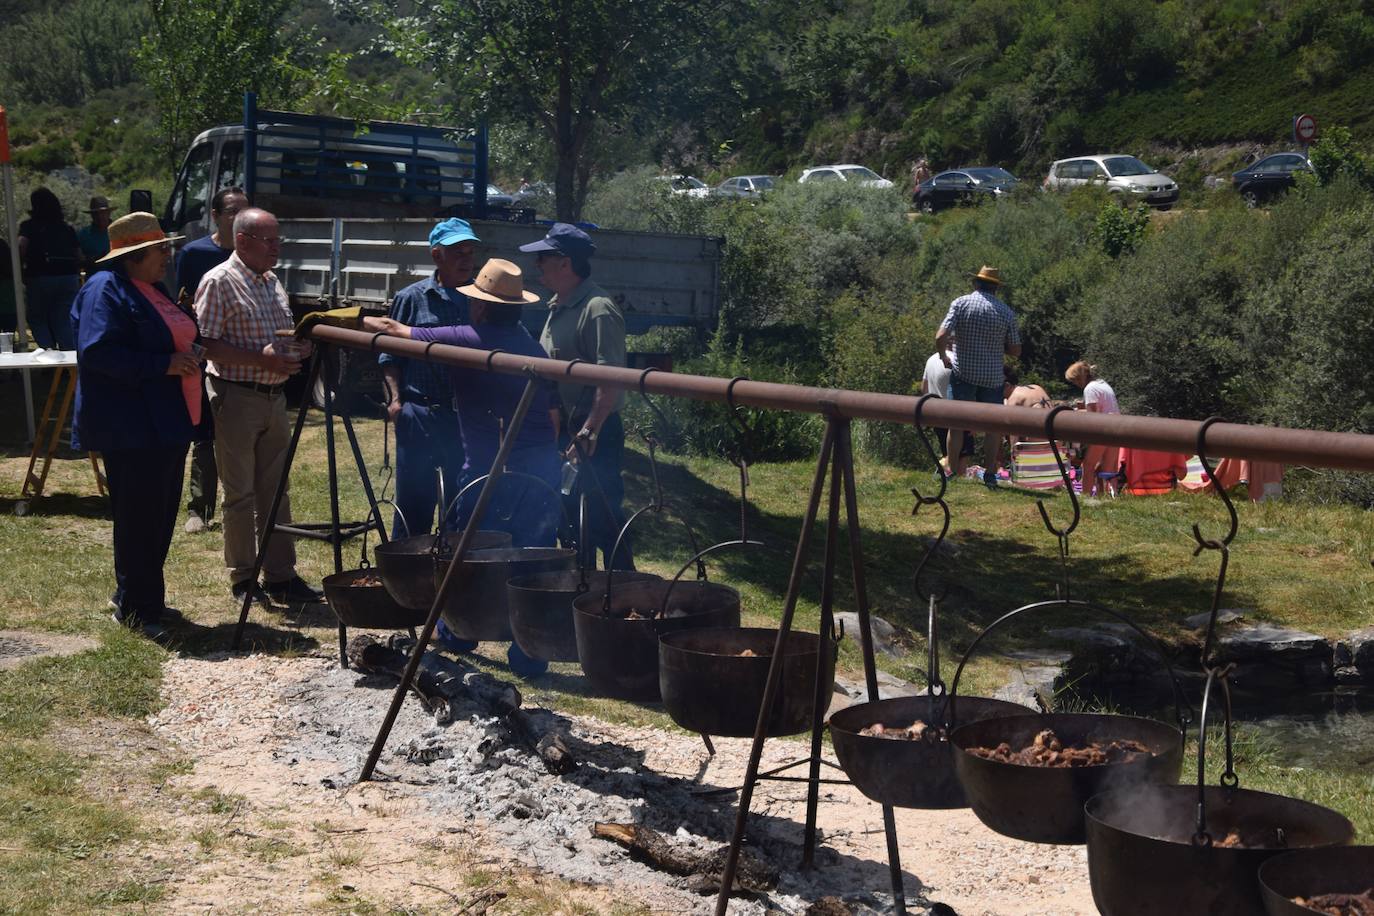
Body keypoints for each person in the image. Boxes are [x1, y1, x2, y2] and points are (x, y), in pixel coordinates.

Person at [363, 258, 559, 677]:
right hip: (541, 467)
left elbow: (393, 331)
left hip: (487, 470)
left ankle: (457, 633)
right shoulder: (528, 342)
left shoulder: (468, 335)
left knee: (463, 551)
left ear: (481, 307)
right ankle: (531, 654)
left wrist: (348, 321)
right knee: (531, 560)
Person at [70, 213, 198, 640]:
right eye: (162, 249)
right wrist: (164, 364)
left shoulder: (152, 289)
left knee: (158, 517)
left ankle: (145, 599)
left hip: (165, 423)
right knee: (139, 517)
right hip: (131, 426)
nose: (168, 255)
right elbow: (98, 353)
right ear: (135, 255)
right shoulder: (103, 290)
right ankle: (137, 610)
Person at [195, 207, 322, 607]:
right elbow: (203, 345)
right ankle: (244, 577)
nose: (277, 247)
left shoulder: (271, 281)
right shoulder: (219, 281)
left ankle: (281, 576)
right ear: (243, 240)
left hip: (273, 397)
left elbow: (277, 337)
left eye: (278, 240)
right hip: (236, 395)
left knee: (276, 490)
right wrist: (261, 359)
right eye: (270, 240)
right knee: (241, 493)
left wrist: (298, 347)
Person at [519, 223, 633, 570]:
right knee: (568, 515)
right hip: (566, 430)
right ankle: (580, 593)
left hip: (593, 432)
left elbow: (610, 378)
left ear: (565, 263)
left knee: (602, 515)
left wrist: (589, 430)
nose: (537, 264)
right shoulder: (560, 305)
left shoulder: (597, 309)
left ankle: (626, 592)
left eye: (543, 257)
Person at [377, 218, 476, 538]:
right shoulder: (412, 298)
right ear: (436, 256)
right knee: (413, 501)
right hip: (420, 412)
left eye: (469, 251)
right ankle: (406, 576)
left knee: (461, 502)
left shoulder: (481, 298)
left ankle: (450, 576)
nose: (465, 258)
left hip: (467, 417)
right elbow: (390, 356)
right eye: (456, 251)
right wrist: (395, 401)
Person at [175, 187, 250, 536]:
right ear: (215, 214)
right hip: (207, 354)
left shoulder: (253, 253)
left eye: (245, 210)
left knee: (243, 437)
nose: (240, 216)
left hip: (245, 358)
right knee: (205, 433)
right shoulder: (194, 253)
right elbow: (184, 306)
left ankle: (245, 506)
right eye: (233, 210)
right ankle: (199, 508)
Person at [936, 265, 1021, 487]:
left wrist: (943, 357)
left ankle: (952, 471)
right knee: (992, 429)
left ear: (975, 284)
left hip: (963, 373)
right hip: (992, 378)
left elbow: (941, 335)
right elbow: (1016, 350)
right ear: (996, 289)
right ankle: (991, 474)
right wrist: (994, 346)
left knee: (956, 425)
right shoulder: (1005, 312)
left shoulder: (961, 303)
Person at [18, 188, 80, 350]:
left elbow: (21, 247)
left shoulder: (29, 226)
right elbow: (78, 254)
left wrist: (20, 269)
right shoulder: (67, 228)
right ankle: (71, 362)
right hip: (68, 277)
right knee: (64, 320)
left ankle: (49, 355)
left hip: (40, 276)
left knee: (38, 318)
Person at [1065, 360, 1122, 496]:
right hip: (1117, 427)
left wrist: (1075, 413)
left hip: (1103, 429)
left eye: (1074, 381)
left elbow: (1092, 417)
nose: (1076, 385)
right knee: (1109, 469)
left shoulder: (1089, 389)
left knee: (1088, 466)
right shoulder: (1103, 384)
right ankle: (1111, 496)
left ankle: (1085, 496)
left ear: (1079, 378)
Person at [76, 196, 114, 272]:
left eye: (102, 213)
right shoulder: (83, 235)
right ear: (91, 215)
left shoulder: (119, 231)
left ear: (109, 213)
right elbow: (78, 262)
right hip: (94, 279)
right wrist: (94, 260)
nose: (99, 216)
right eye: (96, 214)